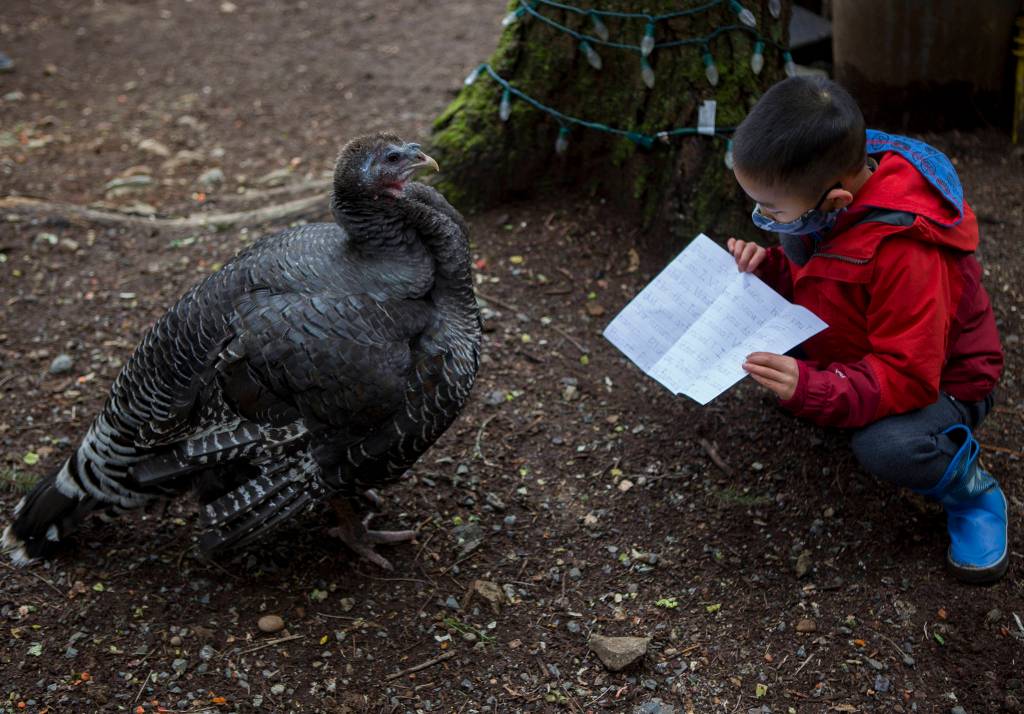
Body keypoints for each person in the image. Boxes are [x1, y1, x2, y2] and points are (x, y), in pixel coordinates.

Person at [726, 76, 1007, 584]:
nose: (763, 219)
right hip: (865, 347)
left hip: (944, 379)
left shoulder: (907, 253)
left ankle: (973, 494)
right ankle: (838, 391)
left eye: (772, 212)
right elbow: (822, 276)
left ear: (835, 201)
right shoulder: (829, 183)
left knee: (885, 447)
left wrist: (815, 387)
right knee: (792, 249)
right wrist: (769, 268)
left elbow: (909, 375)